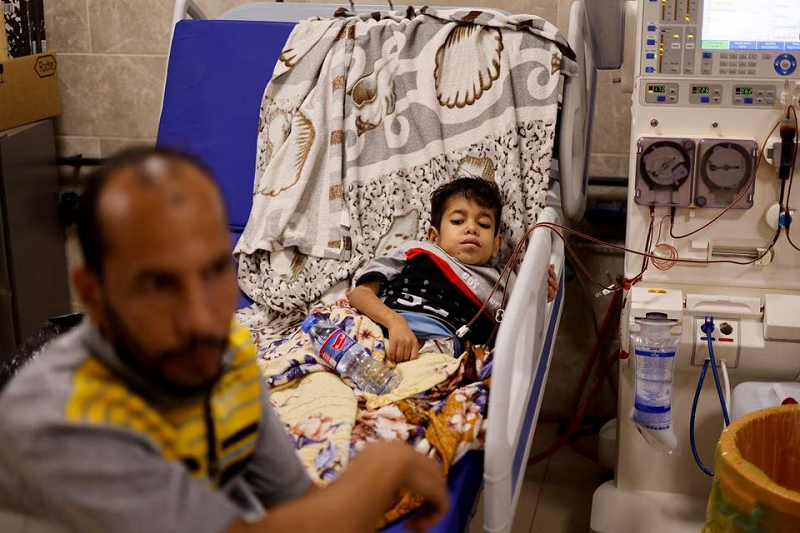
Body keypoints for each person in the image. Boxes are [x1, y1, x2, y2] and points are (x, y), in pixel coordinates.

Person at [0, 147, 448, 533]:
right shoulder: (62, 418)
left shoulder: (224, 365)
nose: (198, 313)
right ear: (95, 295)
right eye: (159, 284)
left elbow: (296, 505)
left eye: (212, 270)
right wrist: (382, 469)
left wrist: (355, 498)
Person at [349, 177, 559, 363]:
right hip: (375, 329)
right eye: (458, 221)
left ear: (496, 245)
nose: (471, 228)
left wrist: (539, 296)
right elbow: (359, 294)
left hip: (439, 356)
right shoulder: (415, 251)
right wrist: (395, 321)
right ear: (433, 236)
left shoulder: (505, 282)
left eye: (484, 224)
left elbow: (520, 329)